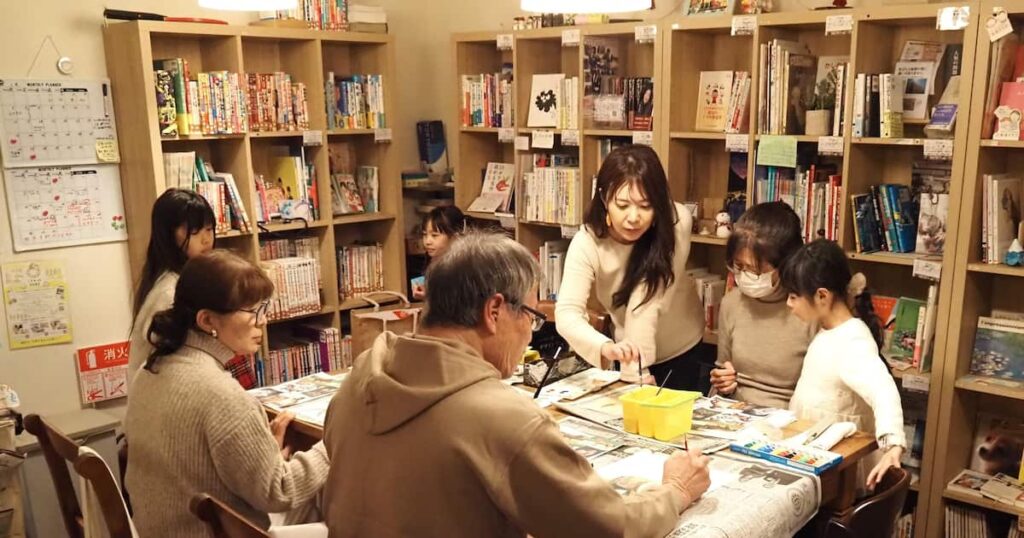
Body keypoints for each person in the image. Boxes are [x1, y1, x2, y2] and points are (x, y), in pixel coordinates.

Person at [322, 231, 711, 538]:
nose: (530, 334)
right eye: (530, 316)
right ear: (494, 311)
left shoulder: (361, 376)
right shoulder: (502, 417)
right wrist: (675, 491)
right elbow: (609, 527)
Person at [125, 251, 329, 537]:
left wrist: (259, 450)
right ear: (207, 320)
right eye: (253, 311)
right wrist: (333, 443)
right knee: (331, 505)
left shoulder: (149, 370)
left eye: (264, 308)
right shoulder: (221, 394)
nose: (263, 321)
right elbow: (279, 491)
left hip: (161, 529)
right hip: (205, 531)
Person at [555, 145, 709, 389]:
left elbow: (646, 301)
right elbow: (567, 313)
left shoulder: (676, 223)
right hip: (628, 350)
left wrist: (635, 371)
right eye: (623, 205)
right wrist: (607, 348)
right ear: (604, 197)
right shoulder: (587, 241)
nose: (634, 217)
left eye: (646, 206)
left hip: (681, 346)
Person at [781, 239, 906, 491]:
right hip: (816, 455)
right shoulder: (828, 330)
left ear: (822, 296)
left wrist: (893, 444)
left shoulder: (852, 340)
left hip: (839, 470)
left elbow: (882, 390)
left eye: (794, 296)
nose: (788, 303)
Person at [709, 202, 816, 408]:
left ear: (785, 264)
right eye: (738, 266)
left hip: (790, 416)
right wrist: (723, 382)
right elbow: (722, 373)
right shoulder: (732, 303)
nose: (745, 276)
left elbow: (823, 396)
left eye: (755, 270)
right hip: (735, 413)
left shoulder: (809, 311)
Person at [127, 188, 215, 396]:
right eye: (194, 231)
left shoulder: (183, 279)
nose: (206, 239)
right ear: (169, 235)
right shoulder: (169, 291)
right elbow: (174, 364)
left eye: (209, 229)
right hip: (161, 398)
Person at [412, 205, 466, 300]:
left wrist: (430, 297)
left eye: (434, 235)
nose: (427, 241)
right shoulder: (432, 261)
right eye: (425, 235)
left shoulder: (463, 266)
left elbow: (459, 302)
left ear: (455, 236)